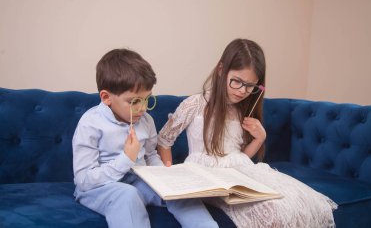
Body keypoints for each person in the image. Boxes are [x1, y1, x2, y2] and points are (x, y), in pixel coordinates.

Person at [157, 39, 337, 228]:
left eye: (250, 86)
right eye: (237, 81)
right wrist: (171, 174)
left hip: (241, 172)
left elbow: (238, 157)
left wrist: (260, 138)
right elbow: (164, 140)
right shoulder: (195, 104)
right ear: (221, 70)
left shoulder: (242, 109)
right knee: (270, 214)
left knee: (297, 204)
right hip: (207, 176)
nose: (243, 91)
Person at [72, 48, 218, 228]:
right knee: (126, 195)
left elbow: (151, 155)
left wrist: (166, 177)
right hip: (100, 187)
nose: (142, 108)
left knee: (179, 192)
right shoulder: (90, 124)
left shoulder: (146, 120)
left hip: (138, 180)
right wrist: (126, 159)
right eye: (134, 101)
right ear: (106, 97)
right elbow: (84, 180)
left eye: (147, 99)